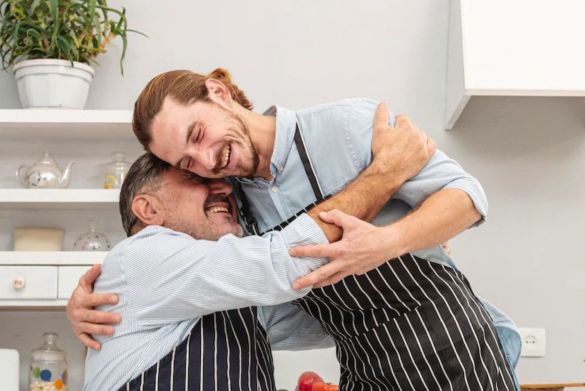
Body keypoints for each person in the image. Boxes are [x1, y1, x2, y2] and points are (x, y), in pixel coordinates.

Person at [73, 69, 521, 390]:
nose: (209, 161)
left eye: (198, 134)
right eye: (188, 164)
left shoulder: (342, 126)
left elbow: (467, 197)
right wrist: (86, 303)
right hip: (364, 366)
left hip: (448, 344)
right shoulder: (233, 207)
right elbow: (270, 284)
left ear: (218, 92)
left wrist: (387, 242)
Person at [84, 120, 423, 390]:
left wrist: (402, 235)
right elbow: (284, 263)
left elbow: (338, 316)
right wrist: (388, 174)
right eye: (195, 177)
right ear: (148, 208)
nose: (225, 187)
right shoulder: (141, 256)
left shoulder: (226, 293)